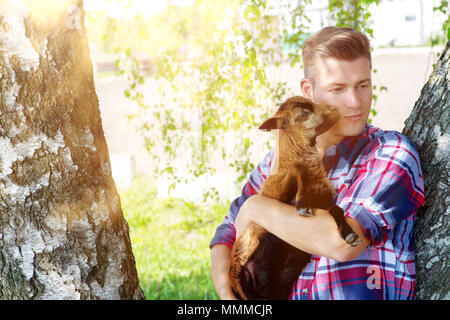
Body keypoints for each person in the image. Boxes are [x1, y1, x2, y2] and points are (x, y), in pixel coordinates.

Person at [209, 26, 425, 300]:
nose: (355, 102)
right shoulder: (276, 163)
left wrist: (257, 208)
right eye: (337, 88)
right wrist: (226, 291)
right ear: (308, 90)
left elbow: (343, 243)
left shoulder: (390, 153)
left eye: (363, 85)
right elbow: (228, 230)